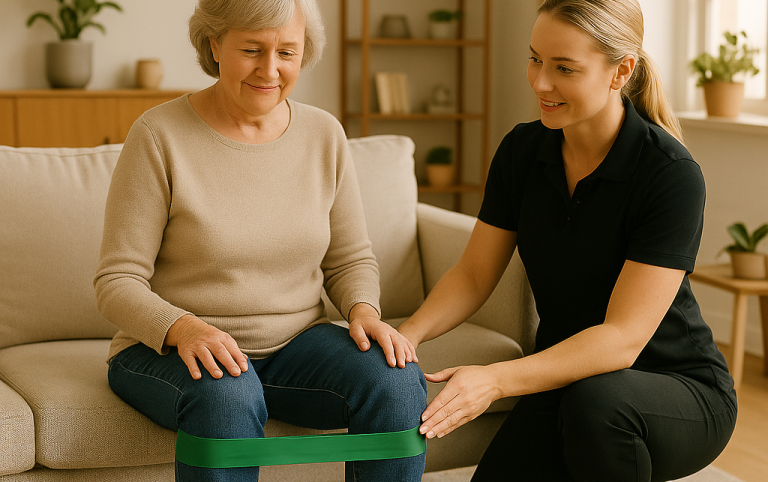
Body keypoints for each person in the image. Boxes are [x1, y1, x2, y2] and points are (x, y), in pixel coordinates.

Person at [397, 1, 737, 480]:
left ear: (622, 71)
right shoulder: (522, 151)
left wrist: (494, 380)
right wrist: (406, 336)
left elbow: (622, 340)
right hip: (569, 381)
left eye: (564, 69)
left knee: (600, 405)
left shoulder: (669, 175)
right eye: (535, 59)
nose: (540, 83)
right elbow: (474, 274)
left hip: (676, 387)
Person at [93, 0, 426, 480]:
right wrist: (185, 329)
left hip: (295, 346)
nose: (270, 70)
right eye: (252, 49)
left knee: (394, 382)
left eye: (287, 52)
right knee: (228, 394)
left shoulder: (323, 134)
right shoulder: (158, 135)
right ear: (214, 44)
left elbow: (349, 259)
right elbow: (116, 280)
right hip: (170, 350)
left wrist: (363, 312)